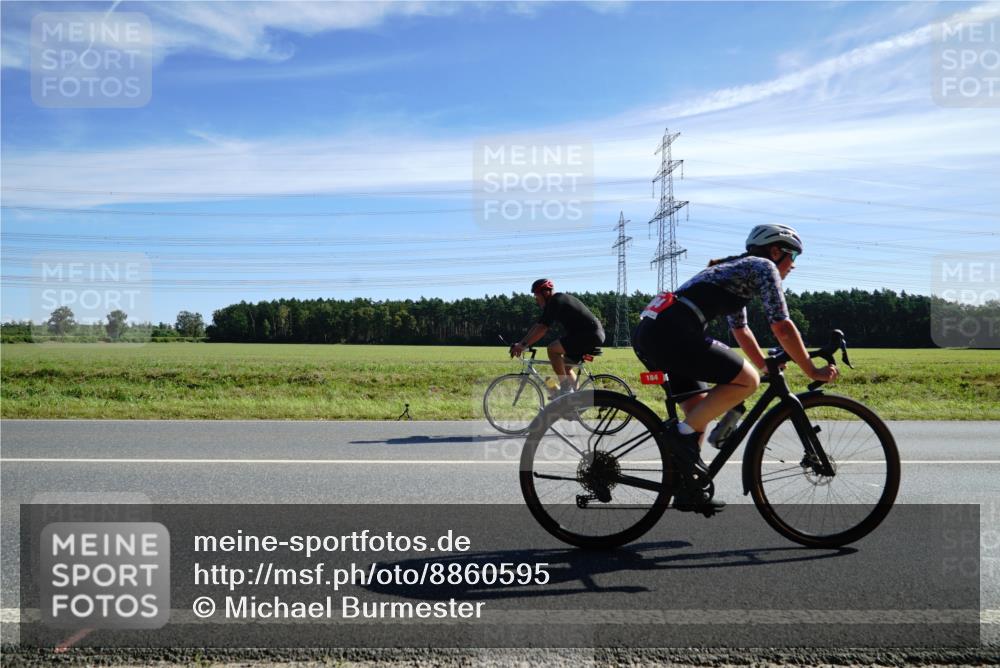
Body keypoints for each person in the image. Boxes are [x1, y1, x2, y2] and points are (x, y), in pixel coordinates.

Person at [632, 224, 838, 511]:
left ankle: (686, 488)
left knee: (699, 413)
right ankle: (678, 438)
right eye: (794, 257)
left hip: (654, 332)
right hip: (672, 333)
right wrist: (811, 370)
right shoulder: (763, 267)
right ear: (776, 252)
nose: (794, 265)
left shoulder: (738, 271)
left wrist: (765, 365)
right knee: (746, 382)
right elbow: (782, 326)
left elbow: (741, 330)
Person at [510, 279, 606, 394]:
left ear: (546, 293)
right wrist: (521, 343)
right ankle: (577, 400)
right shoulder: (553, 303)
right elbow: (538, 325)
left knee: (552, 349)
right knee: (565, 368)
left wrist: (523, 345)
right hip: (588, 334)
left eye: (536, 295)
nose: (535, 299)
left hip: (590, 334)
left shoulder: (556, 301)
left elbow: (542, 329)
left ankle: (565, 388)